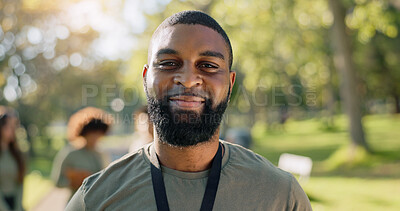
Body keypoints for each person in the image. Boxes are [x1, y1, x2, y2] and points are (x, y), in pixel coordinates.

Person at [66, 11, 312, 210]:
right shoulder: (96, 199)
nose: (187, 79)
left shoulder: (281, 196)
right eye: (169, 63)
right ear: (146, 78)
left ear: (230, 83)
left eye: (207, 65)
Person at [53, 107, 112, 195]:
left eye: (98, 133)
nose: (95, 137)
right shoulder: (71, 154)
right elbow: (57, 181)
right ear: (84, 133)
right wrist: (75, 182)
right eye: (92, 133)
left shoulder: (102, 154)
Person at [0, 107, 25, 211]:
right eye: (8, 126)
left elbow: (20, 182)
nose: (13, 130)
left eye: (14, 126)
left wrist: (18, 207)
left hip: (15, 204)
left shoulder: (17, 154)